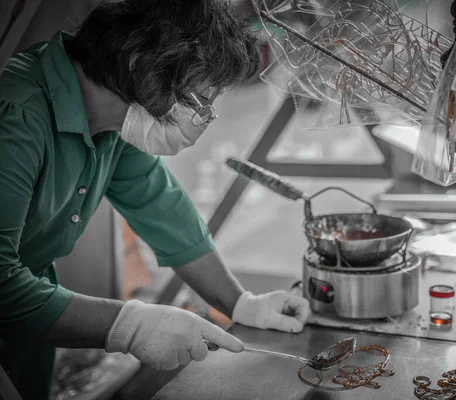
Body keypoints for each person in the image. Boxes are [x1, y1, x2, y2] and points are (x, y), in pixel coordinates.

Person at [0, 0, 311, 398]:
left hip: (27, 324)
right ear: (139, 64)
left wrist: (242, 304)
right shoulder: (17, 115)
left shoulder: (113, 121)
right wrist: (128, 326)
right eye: (198, 101)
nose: (202, 118)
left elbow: (163, 210)